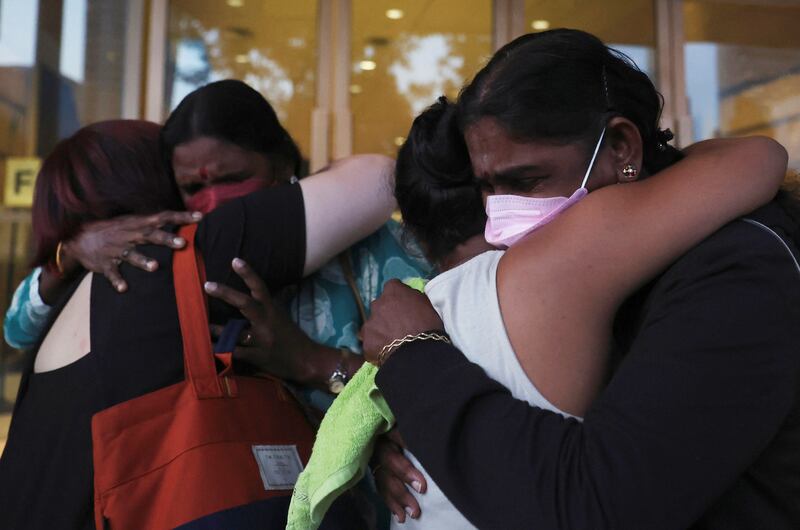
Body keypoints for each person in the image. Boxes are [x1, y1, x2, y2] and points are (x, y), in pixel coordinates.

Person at [362, 29, 800, 529]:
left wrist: (415, 361)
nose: (500, 214)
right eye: (487, 186)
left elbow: (598, 506)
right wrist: (416, 452)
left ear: (621, 147)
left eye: (526, 181)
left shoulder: (736, 272)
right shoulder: (596, 271)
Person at [0, 119, 395, 528]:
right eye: (187, 181)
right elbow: (379, 178)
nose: (211, 201)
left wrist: (69, 248)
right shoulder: (184, 251)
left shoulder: (61, 298)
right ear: (157, 180)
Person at [5, 80, 430, 410]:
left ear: (283, 162)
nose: (212, 202)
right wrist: (72, 250)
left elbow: (445, 386)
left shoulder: (372, 245)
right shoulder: (175, 257)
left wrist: (311, 361)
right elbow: (18, 328)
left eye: (231, 178)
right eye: (192, 188)